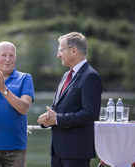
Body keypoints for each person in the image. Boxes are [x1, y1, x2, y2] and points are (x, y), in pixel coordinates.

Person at [37, 32, 102, 167]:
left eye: (61, 50)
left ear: (73, 50)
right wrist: (48, 118)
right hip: (57, 152)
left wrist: (58, 119)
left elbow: (91, 113)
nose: (58, 54)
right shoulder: (66, 75)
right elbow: (59, 108)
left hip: (76, 153)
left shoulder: (90, 76)